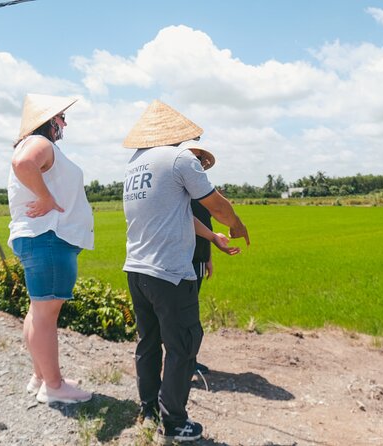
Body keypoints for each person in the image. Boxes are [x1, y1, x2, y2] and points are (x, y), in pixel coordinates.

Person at [122, 99, 250, 444]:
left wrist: (212, 238)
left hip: (137, 270)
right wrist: (236, 224)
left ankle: (148, 408)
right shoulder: (180, 158)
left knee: (148, 342)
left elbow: (180, 215)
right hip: (169, 273)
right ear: (179, 134)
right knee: (183, 345)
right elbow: (217, 204)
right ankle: (174, 422)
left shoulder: (136, 165)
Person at [7, 93, 94, 404]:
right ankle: (54, 387)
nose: (64, 123)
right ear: (48, 122)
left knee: (37, 311)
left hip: (40, 237)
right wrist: (45, 198)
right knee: (45, 314)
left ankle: (42, 376)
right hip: (49, 236)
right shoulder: (39, 144)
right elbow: (23, 163)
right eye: (61, 118)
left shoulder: (36, 145)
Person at [189, 147, 220, 375]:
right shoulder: (182, 191)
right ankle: (185, 363)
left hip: (198, 258)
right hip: (183, 258)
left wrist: (208, 258)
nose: (197, 163)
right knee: (187, 315)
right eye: (194, 159)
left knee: (190, 311)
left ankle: (189, 360)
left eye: (199, 160)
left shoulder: (202, 193)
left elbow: (207, 226)